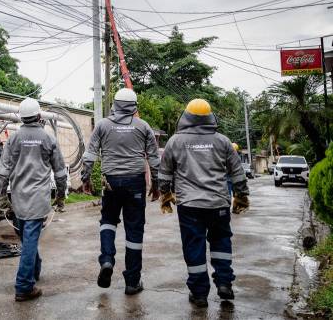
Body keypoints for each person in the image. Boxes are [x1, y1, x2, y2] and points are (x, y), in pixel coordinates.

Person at [159, 99, 250, 308]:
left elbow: (164, 174)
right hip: (218, 203)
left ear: (186, 116)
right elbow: (237, 173)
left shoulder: (175, 141)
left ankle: (200, 294)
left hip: (189, 206)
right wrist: (241, 196)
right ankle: (225, 283)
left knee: (194, 247)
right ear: (210, 117)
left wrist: (165, 196)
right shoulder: (223, 141)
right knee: (221, 242)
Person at [81, 88, 161, 295]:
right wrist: (157, 185)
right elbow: (154, 159)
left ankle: (107, 260)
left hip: (111, 183)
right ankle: (132, 282)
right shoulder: (143, 127)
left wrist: (85, 179)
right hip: (135, 183)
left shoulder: (102, 125)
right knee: (134, 230)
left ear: (114, 104)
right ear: (135, 106)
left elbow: (90, 155)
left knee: (108, 220)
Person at [0, 98, 67, 302]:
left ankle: (34, 271)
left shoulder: (14, 139)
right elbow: (60, 173)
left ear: (21, 117)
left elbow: (3, 172)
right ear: (39, 116)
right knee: (29, 241)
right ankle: (24, 287)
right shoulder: (48, 139)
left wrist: (2, 197)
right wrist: (60, 198)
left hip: (18, 199)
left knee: (28, 239)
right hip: (38, 200)